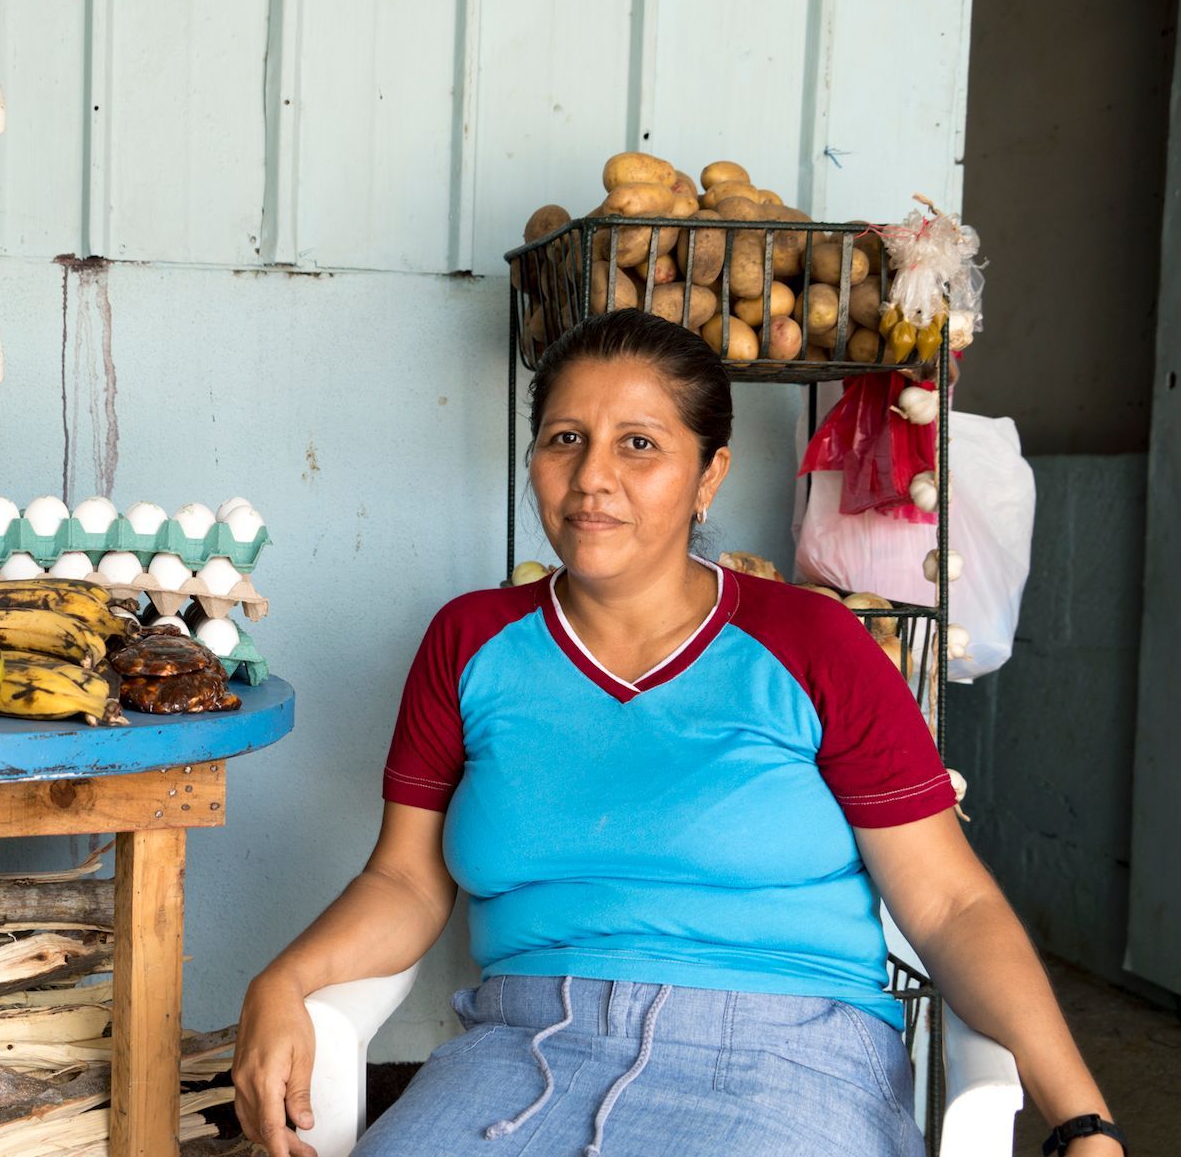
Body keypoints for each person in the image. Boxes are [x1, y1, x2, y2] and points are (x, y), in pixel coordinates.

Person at [233, 310, 1123, 1156]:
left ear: (709, 476)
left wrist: (1082, 1120)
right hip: (523, 1048)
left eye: (640, 445)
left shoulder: (811, 643)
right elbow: (404, 879)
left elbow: (949, 903)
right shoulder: (470, 642)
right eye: (565, 439)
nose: (592, 478)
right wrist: (284, 978)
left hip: (788, 1058)